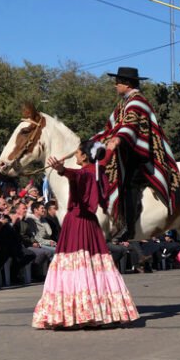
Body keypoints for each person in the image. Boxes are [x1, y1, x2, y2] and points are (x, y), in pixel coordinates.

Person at [32, 139, 139, 329]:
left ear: (84, 156)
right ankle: (98, 311)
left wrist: (62, 170)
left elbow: (75, 175)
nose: (75, 154)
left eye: (78, 152)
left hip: (77, 222)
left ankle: (76, 313)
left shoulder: (86, 172)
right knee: (94, 264)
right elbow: (102, 162)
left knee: (74, 265)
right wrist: (111, 148)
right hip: (90, 224)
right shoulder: (98, 169)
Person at [92, 66, 180, 240]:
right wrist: (92, 142)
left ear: (126, 84)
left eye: (118, 82)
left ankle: (128, 226)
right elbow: (111, 127)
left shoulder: (137, 102)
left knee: (129, 184)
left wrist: (118, 139)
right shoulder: (123, 103)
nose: (115, 85)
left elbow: (130, 126)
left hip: (142, 155)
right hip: (127, 152)